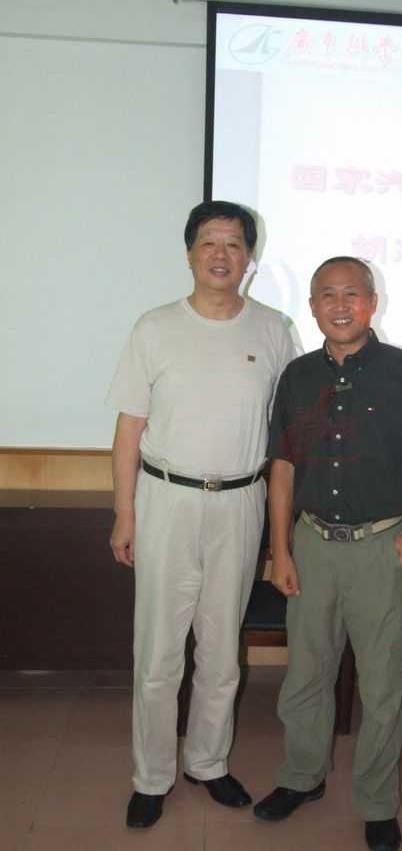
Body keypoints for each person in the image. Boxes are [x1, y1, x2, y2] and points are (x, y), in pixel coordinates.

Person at [253, 257, 402, 851]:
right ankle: (301, 777)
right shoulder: (297, 377)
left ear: (373, 303)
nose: (339, 305)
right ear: (313, 307)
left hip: (381, 549)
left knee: (381, 685)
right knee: (306, 674)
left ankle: (376, 802)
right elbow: (283, 469)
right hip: (312, 547)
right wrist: (280, 550)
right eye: (327, 294)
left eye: (352, 294)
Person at [107, 200, 295, 829]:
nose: (222, 254)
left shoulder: (274, 330)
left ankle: (208, 763)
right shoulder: (155, 327)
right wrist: (124, 514)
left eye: (234, 244)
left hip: (240, 501)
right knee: (158, 650)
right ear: (189, 253)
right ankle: (151, 776)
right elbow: (128, 430)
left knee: (220, 650)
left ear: (250, 258)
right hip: (166, 500)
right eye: (210, 242)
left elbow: (287, 433)